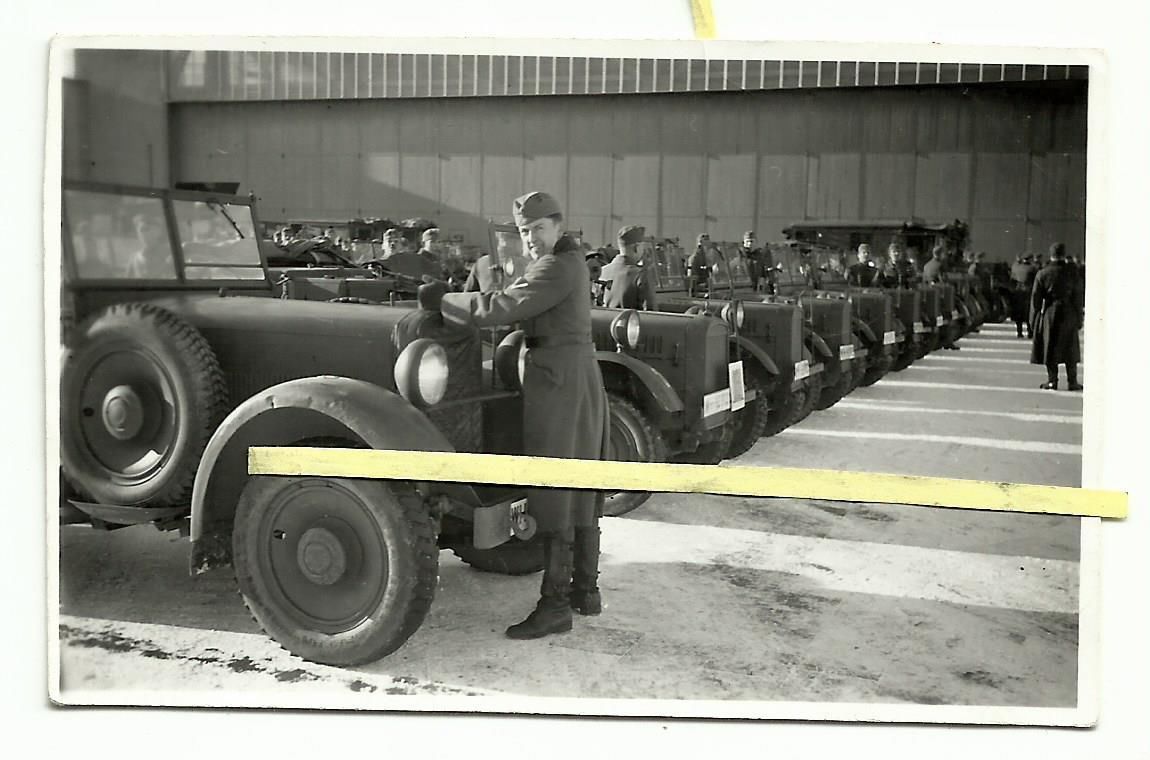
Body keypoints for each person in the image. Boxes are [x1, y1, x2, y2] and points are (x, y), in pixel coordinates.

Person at [425, 191, 610, 639]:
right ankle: (586, 591)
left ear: (558, 226)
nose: (530, 238)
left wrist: (443, 301)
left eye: (538, 229)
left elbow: (502, 308)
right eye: (524, 231)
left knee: (554, 488)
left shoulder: (554, 266)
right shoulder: (571, 261)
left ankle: (555, 606)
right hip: (577, 378)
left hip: (558, 384)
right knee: (581, 485)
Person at [1030, 243, 1084, 391]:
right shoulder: (1073, 273)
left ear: (1051, 255)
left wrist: (1033, 320)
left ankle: (1052, 380)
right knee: (1069, 348)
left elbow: (1035, 299)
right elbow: (1078, 297)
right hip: (1068, 312)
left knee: (1050, 347)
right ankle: (1072, 381)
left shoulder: (1043, 273)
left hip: (1050, 313)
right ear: (1064, 254)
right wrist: (1079, 317)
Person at [603, 225, 659, 310]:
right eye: (642, 247)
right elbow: (651, 315)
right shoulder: (641, 275)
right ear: (636, 247)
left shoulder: (603, 271)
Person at [1009, 253, 1037, 338]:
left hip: (1017, 293)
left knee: (1019, 314)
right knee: (1028, 313)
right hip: (1028, 293)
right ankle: (1030, 332)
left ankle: (1019, 332)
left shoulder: (1016, 267)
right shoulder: (1032, 269)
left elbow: (1011, 280)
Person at [686, 233, 712, 297]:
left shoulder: (705, 256)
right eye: (705, 242)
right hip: (697, 289)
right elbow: (692, 278)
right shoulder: (695, 257)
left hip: (706, 285)